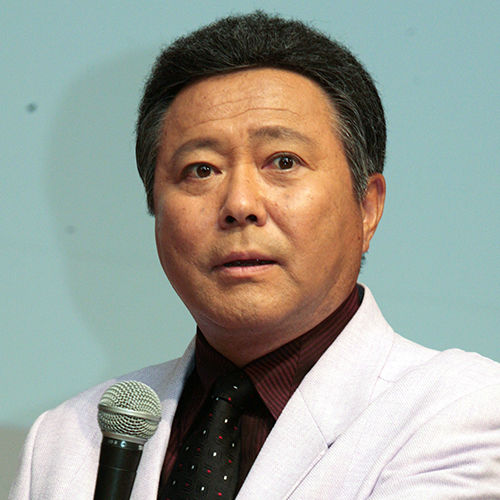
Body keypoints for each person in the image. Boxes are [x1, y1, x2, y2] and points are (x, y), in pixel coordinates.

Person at [10, 11, 500, 499]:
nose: (239, 204)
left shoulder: (464, 410)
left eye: (283, 162)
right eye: (201, 170)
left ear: (367, 208)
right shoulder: (64, 442)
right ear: (155, 208)